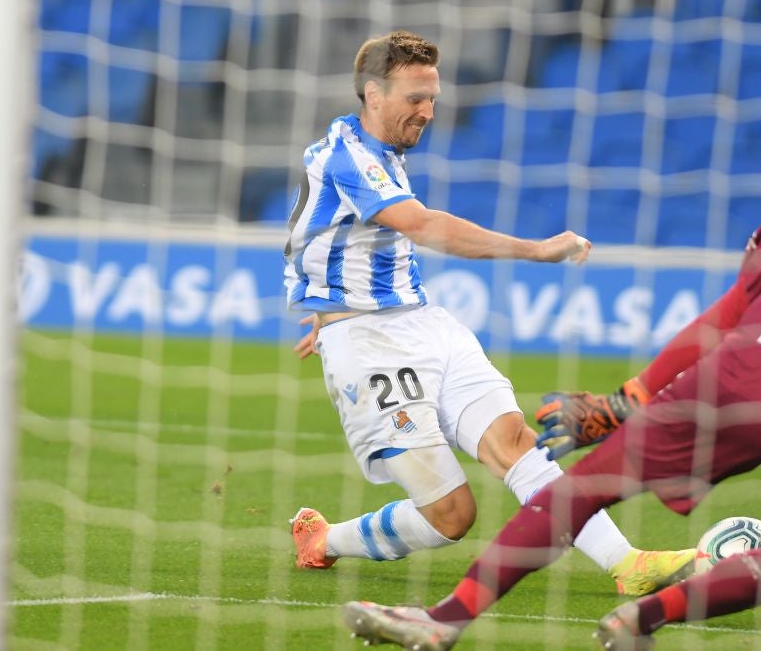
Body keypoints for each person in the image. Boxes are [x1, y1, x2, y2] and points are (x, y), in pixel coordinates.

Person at [342, 60, 761, 650]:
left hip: (749, 373)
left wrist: (631, 398)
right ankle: (643, 619)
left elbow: (731, 310)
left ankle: (445, 618)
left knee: (582, 489)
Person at [285, 30, 693, 596]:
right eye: (414, 98)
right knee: (452, 515)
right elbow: (424, 226)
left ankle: (628, 564)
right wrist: (536, 250)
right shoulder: (347, 155)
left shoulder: (378, 152)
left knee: (514, 440)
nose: (427, 111)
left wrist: (330, 298)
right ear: (373, 95)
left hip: (425, 322)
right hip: (372, 349)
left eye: (433, 97)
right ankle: (325, 541)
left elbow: (328, 234)